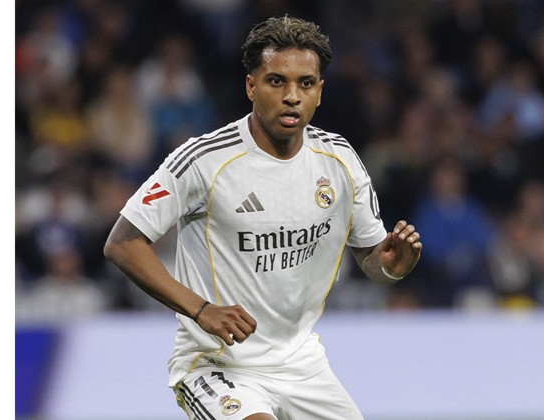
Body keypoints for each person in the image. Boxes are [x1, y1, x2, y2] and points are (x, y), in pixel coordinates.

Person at [103, 15, 422, 419]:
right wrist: (201, 309)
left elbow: (372, 258)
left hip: (302, 365)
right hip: (217, 364)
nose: (292, 96)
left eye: (305, 83)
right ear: (251, 86)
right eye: (276, 81)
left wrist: (392, 267)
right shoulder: (203, 160)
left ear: (320, 92)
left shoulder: (339, 159)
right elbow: (122, 244)